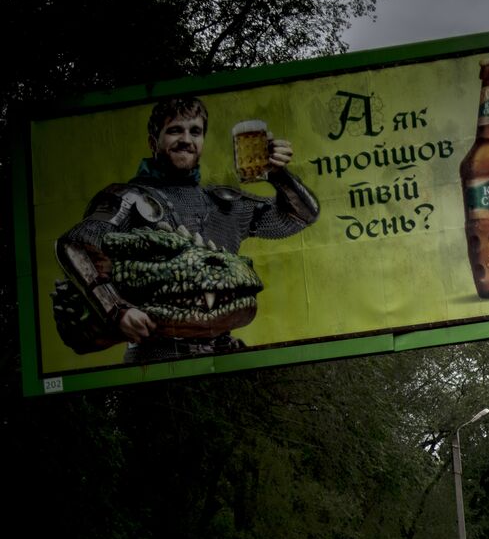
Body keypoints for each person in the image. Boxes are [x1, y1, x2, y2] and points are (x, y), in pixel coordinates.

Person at [55, 96, 319, 362]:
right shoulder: (129, 199)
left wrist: (277, 174)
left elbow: (302, 214)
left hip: (226, 355)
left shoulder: (221, 204)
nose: (186, 139)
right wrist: (116, 310)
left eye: (195, 131)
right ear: (152, 142)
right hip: (156, 359)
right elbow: (75, 243)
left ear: (202, 141)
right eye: (174, 130)